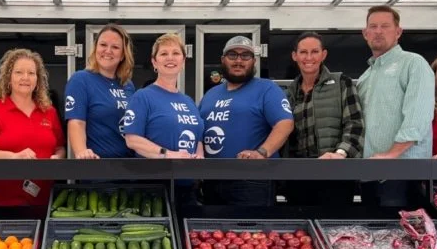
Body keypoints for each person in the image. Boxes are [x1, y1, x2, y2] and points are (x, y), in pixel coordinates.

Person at [197, 36, 293, 207]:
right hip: (212, 180)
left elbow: (285, 123)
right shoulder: (211, 94)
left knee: (251, 234)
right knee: (213, 233)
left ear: (254, 61)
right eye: (232, 55)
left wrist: (262, 152)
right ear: (223, 60)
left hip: (251, 181)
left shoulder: (267, 88)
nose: (239, 61)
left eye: (245, 56)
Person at [356, 5, 435, 207]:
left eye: (385, 26)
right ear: (365, 34)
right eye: (373, 26)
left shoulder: (413, 64)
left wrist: (391, 154)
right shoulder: (366, 76)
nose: (378, 31)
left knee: (402, 236)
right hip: (371, 174)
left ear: (398, 32)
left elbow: (418, 117)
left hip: (404, 173)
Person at [0, 49, 66, 208]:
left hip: (46, 200)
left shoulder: (49, 111)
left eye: (31, 73)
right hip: (5, 201)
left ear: (38, 79)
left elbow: (60, 148)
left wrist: (57, 159)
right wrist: (13, 156)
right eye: (19, 72)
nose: (25, 78)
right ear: (8, 78)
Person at [122, 33, 204, 208]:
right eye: (164, 53)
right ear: (154, 62)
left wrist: (199, 155)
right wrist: (168, 154)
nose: (170, 58)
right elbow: (132, 140)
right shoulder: (142, 97)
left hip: (186, 186)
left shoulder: (188, 101)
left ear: (183, 62)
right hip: (152, 187)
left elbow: (197, 138)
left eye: (176, 53)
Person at [285, 31, 364, 206]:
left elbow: (355, 124)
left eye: (314, 52)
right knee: (300, 229)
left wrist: (340, 154)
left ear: (323, 54)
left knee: (333, 228)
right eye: (303, 52)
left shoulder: (342, 82)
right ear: (295, 56)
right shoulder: (289, 91)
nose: (309, 57)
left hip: (334, 173)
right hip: (298, 175)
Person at [64, 24, 137, 159]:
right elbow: (76, 122)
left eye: (115, 47)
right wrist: (81, 152)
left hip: (129, 167)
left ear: (122, 55)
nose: (108, 51)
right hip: (98, 168)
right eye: (103, 45)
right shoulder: (80, 80)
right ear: (96, 48)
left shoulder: (128, 85)